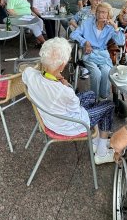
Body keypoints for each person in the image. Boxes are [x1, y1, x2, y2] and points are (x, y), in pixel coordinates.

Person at [22, 37, 116, 165]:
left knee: (91, 94)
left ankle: (96, 141)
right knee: (109, 105)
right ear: (62, 65)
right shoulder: (63, 91)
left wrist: (52, 74)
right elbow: (76, 109)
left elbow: (26, 71)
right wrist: (66, 85)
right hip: (70, 124)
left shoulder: (30, 74)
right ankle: (101, 153)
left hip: (50, 115)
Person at [70, 3, 125, 100]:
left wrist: (115, 26)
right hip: (88, 53)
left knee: (106, 71)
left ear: (108, 14)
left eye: (103, 12)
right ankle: (93, 98)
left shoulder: (110, 27)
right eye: (98, 12)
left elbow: (121, 42)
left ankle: (103, 97)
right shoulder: (87, 22)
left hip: (102, 55)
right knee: (96, 73)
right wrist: (85, 41)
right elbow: (74, 34)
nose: (100, 15)